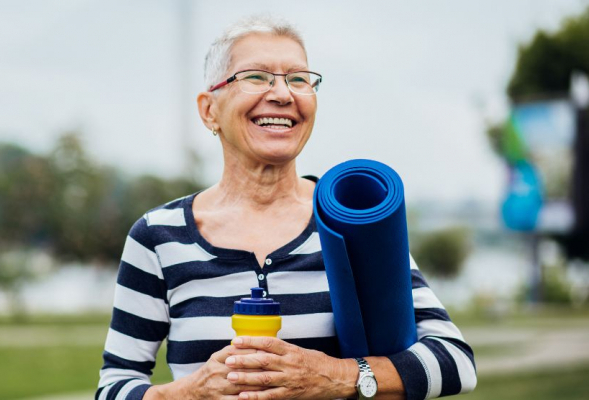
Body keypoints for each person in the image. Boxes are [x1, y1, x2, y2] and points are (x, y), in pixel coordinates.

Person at [96, 15, 476, 400]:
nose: (282, 94)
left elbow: (456, 362)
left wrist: (336, 376)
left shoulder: (345, 221)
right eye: (257, 77)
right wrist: (188, 393)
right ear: (209, 109)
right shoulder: (158, 238)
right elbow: (114, 385)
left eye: (298, 79)